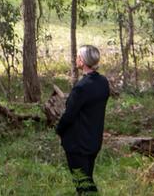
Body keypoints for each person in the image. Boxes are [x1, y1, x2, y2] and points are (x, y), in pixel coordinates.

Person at [56, 45, 110, 194]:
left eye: (78, 56)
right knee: (86, 179)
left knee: (83, 185)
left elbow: (69, 115)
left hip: (77, 144)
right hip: (94, 141)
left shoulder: (81, 87)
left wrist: (59, 130)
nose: (76, 59)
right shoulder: (103, 82)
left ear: (83, 60)